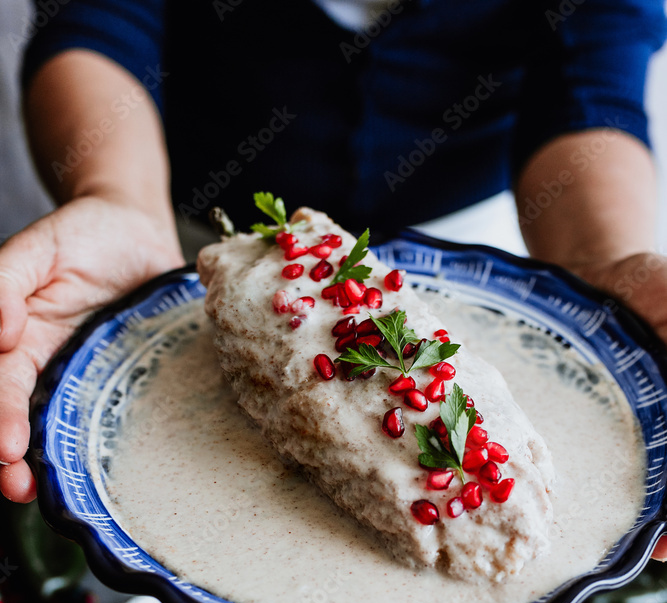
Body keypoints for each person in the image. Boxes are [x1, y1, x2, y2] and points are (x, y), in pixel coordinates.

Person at [1, 0, 667, 560]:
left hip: (487, 251)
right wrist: (118, 196)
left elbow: (593, 67)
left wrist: (603, 265)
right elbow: (98, 14)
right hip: (180, 233)